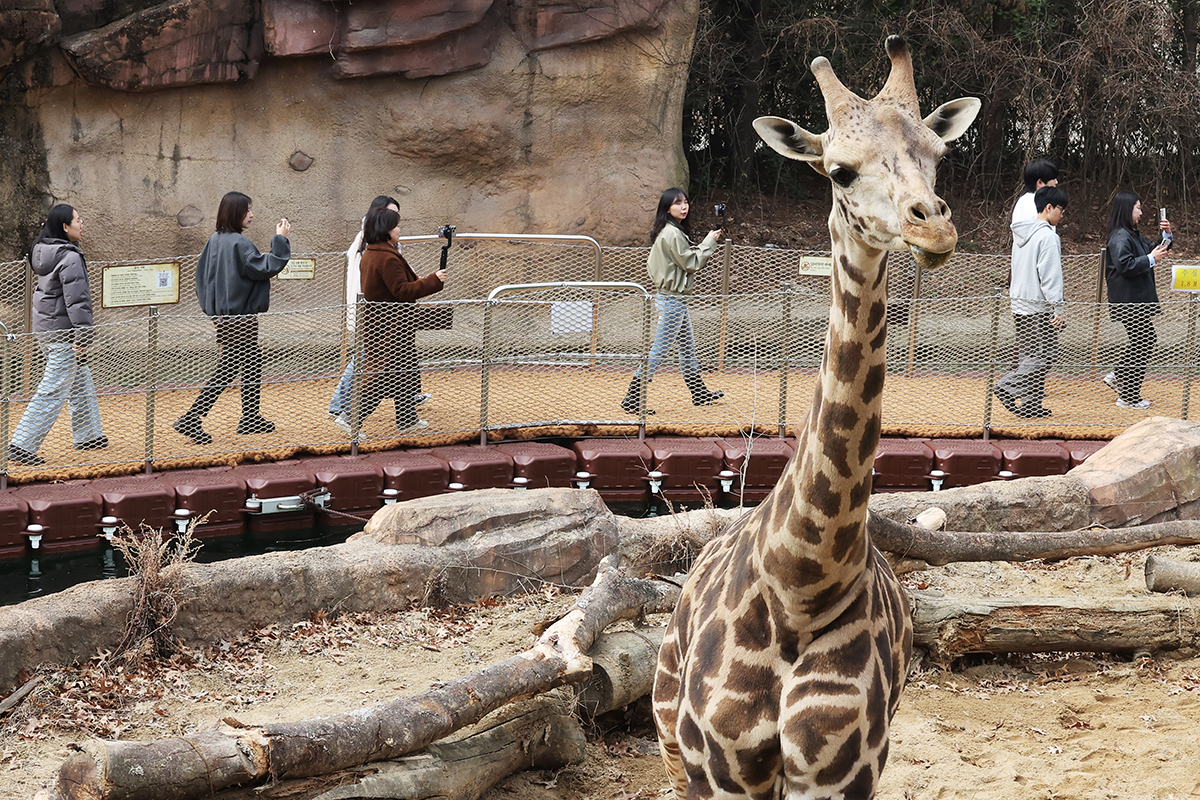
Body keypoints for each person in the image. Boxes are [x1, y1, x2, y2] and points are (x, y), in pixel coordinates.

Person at [173, 192, 291, 444]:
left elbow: (202, 280)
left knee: (250, 362)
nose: (252, 214)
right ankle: (192, 418)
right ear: (236, 212)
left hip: (225, 318)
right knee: (229, 367)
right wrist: (280, 239)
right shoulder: (240, 243)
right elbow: (266, 266)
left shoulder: (214, 240)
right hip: (241, 318)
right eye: (247, 209)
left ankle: (250, 418)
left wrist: (212, 312)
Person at [8, 204, 106, 466]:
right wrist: (84, 335)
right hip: (63, 332)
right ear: (65, 227)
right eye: (78, 220)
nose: (82, 223)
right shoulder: (70, 257)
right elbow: (78, 301)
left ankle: (89, 435)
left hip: (47, 330)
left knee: (78, 375)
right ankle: (22, 444)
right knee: (53, 389)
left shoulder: (43, 251)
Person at [337, 206, 445, 435]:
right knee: (383, 377)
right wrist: (433, 281)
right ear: (386, 229)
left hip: (385, 326)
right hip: (392, 329)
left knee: (403, 373)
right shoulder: (386, 257)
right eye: (396, 225)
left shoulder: (372, 253)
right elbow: (403, 291)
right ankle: (350, 417)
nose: (399, 229)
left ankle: (407, 419)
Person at [620, 188, 724, 414]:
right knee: (659, 350)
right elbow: (691, 263)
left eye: (686, 202)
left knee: (687, 348)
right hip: (672, 301)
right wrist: (709, 242)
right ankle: (632, 397)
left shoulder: (667, 231)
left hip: (672, 298)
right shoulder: (672, 234)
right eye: (678, 203)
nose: (684, 207)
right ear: (667, 208)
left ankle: (698, 392)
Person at [994, 186, 1069, 419]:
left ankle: (1030, 405)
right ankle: (1007, 386)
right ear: (1048, 208)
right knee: (1045, 354)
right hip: (1038, 305)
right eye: (1060, 209)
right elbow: (1050, 275)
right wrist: (1058, 307)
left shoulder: (1021, 234)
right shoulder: (1048, 236)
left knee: (1030, 354)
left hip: (1019, 303)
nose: (1062, 214)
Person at [1103, 190, 1171, 410]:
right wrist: (1152, 258)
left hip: (1135, 300)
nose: (1141, 212)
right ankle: (1128, 395)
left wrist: (1166, 236)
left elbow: (1152, 249)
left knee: (1145, 339)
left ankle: (1119, 376)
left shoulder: (1132, 233)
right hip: (1129, 301)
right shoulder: (1120, 236)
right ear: (1127, 209)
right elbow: (1126, 264)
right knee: (1145, 340)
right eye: (1138, 207)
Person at [1011, 158, 1059, 224]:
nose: (1056, 182)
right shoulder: (1039, 205)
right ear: (1040, 182)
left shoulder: (1022, 201)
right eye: (1053, 179)